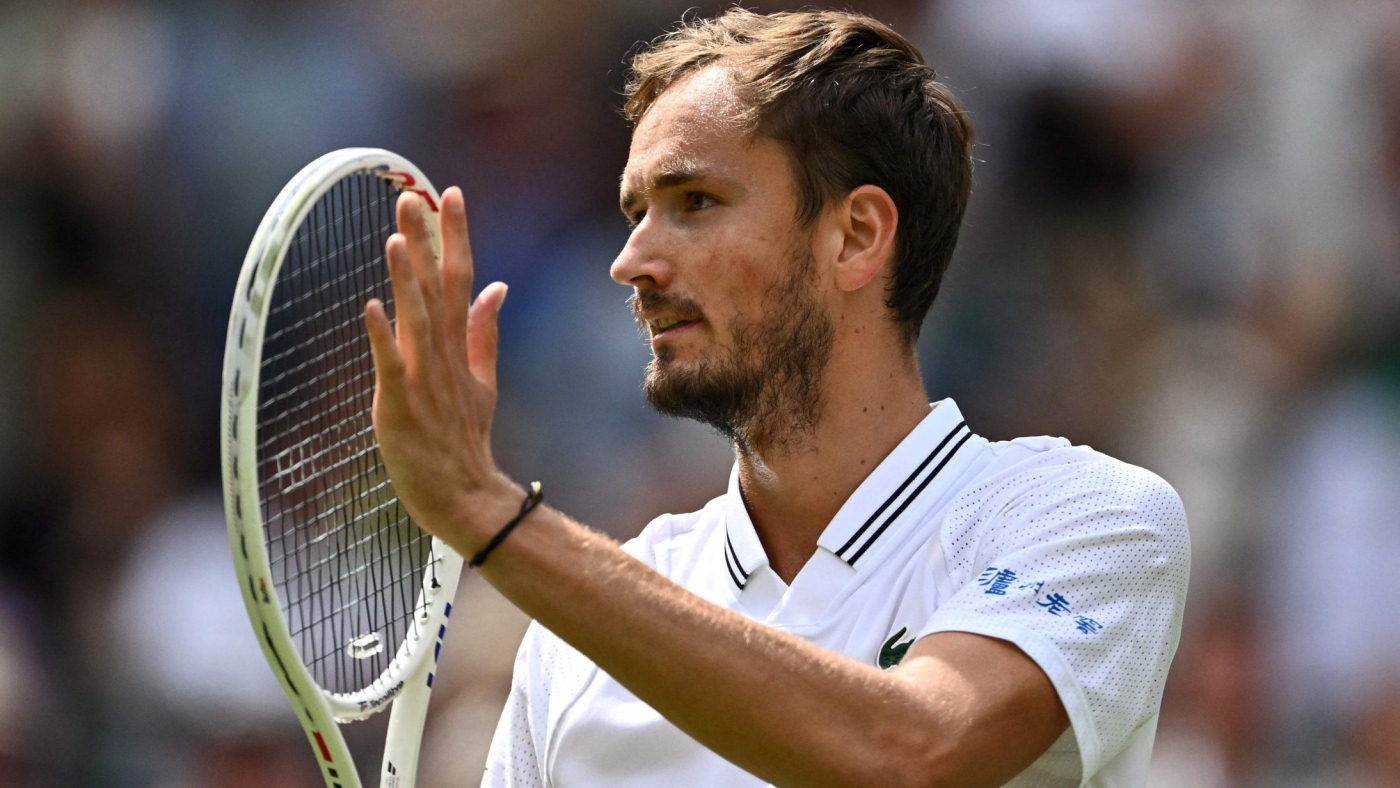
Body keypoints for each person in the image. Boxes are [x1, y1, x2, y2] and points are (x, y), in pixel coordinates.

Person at [363, 8, 1190, 787]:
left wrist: (494, 516)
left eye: (695, 202)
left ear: (856, 236)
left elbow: (910, 754)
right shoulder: (571, 650)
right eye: (635, 212)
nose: (631, 261)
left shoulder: (1089, 520)